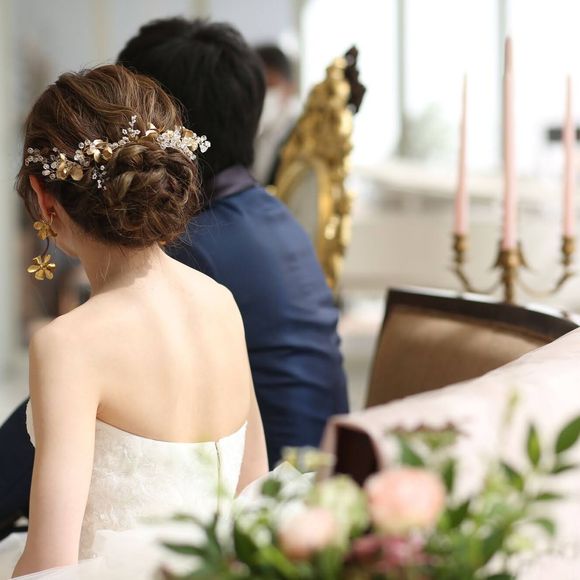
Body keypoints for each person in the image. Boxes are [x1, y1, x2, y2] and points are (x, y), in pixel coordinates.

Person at [0, 64, 268, 578]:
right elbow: (254, 490)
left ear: (44, 200)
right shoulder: (222, 303)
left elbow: (49, 565)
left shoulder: (69, 345)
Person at [118, 18, 349, 467]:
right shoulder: (273, 216)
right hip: (322, 479)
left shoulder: (187, 248)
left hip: (264, 493)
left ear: (158, 124)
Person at [252, 44, 301, 185]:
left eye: (271, 85)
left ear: (290, 88)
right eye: (258, 88)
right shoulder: (250, 134)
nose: (264, 95)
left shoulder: (302, 134)